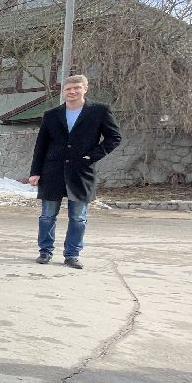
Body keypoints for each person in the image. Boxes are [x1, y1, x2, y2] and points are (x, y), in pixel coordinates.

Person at [28, 74, 122, 269]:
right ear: (63, 91)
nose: (72, 92)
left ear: (85, 89)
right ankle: (45, 252)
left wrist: (91, 156)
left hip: (81, 172)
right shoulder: (51, 115)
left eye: (76, 88)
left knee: (78, 217)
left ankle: (72, 254)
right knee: (47, 215)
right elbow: (41, 145)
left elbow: (114, 137)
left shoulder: (99, 111)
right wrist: (35, 171)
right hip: (52, 171)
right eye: (68, 89)